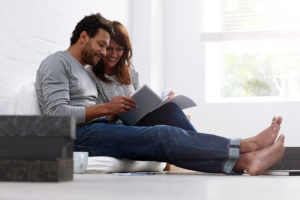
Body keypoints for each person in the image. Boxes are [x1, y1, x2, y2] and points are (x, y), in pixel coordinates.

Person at [35, 13, 285, 175]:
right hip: (76, 137)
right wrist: (107, 109)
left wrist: (110, 112)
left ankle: (244, 161)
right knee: (163, 136)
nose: (104, 52)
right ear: (83, 37)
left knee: (168, 116)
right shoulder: (57, 63)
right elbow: (55, 116)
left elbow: (95, 110)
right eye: (102, 45)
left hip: (96, 129)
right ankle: (246, 146)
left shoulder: (82, 69)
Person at [86, 21, 194, 131]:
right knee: (167, 126)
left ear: (125, 50)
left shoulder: (130, 71)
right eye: (109, 48)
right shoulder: (89, 76)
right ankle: (207, 145)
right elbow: (91, 120)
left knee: (171, 108)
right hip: (115, 129)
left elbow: (143, 109)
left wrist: (162, 102)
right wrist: (114, 113)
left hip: (137, 123)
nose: (114, 54)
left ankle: (204, 145)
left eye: (119, 49)